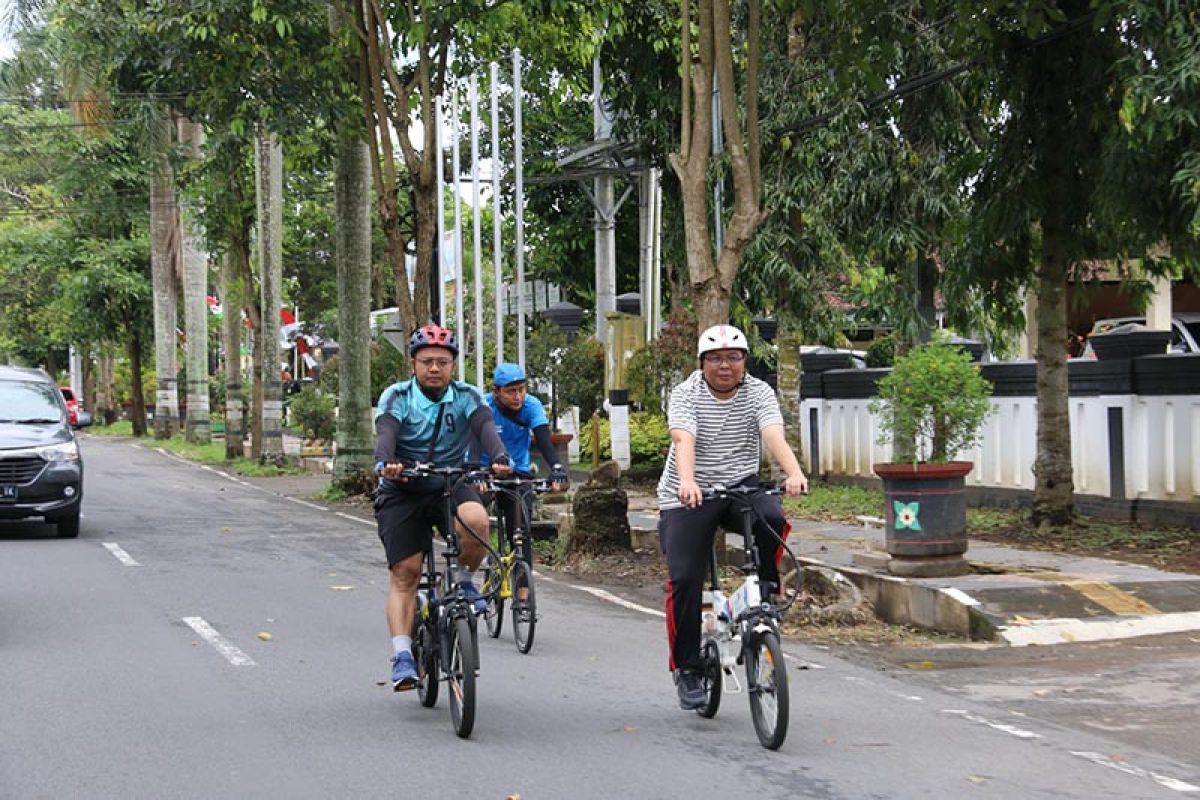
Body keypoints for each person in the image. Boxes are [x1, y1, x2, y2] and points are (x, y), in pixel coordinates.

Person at [656, 323, 809, 711]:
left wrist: (792, 472)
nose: (725, 366)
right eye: (716, 359)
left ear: (744, 361)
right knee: (686, 578)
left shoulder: (758, 391)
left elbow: (773, 434)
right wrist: (688, 482)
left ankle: (767, 590)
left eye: (733, 357)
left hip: (740, 485)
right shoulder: (686, 393)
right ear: (703, 363)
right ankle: (688, 669)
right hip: (689, 494)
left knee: (771, 514)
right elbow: (683, 439)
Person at [373, 324, 513, 691]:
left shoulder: (467, 396)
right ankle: (403, 654)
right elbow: (386, 431)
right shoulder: (397, 396)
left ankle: (464, 581)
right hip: (403, 487)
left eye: (442, 362)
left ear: (453, 365)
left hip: (450, 481)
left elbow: (485, 429)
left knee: (477, 519)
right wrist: (386, 460)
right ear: (414, 364)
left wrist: (499, 457)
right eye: (426, 362)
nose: (434, 368)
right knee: (407, 572)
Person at [478, 362, 569, 565]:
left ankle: (523, 593)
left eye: (521, 390)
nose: (518, 396)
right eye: (511, 392)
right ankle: (476, 553)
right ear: (496, 391)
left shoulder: (531, 405)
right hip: (485, 469)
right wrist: (479, 471)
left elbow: (544, 438)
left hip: (517, 470)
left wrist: (556, 467)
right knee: (472, 516)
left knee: (521, 532)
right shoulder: (484, 406)